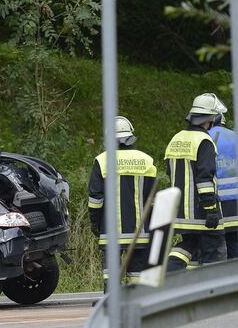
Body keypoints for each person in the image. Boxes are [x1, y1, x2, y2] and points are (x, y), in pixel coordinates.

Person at [88, 116, 157, 289]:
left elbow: (96, 198)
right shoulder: (146, 160)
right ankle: (138, 308)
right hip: (140, 232)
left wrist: (95, 222)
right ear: (130, 136)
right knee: (137, 276)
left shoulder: (102, 160)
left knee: (111, 275)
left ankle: (112, 307)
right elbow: (154, 198)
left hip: (111, 232)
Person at [165, 93, 227, 271]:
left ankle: (171, 276)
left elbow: (170, 172)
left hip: (180, 213)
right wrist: (211, 210)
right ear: (211, 118)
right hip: (201, 212)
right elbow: (205, 179)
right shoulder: (204, 141)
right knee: (214, 252)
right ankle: (212, 292)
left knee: (189, 246)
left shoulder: (175, 139)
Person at [209, 101, 238, 259]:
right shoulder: (234, 136)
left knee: (215, 248)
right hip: (236, 203)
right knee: (235, 245)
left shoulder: (204, 138)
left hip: (215, 203)